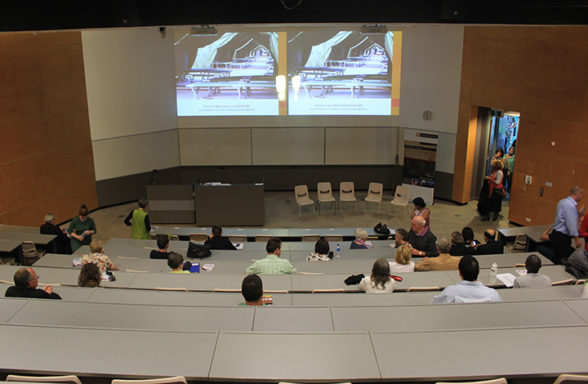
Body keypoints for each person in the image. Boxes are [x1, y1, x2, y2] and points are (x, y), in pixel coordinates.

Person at [431, 256, 501, 304]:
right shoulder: (492, 294)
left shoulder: (449, 292)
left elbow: (434, 305)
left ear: (460, 273)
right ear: (479, 271)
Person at [549, 186, 584, 264]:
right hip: (562, 238)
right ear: (578, 194)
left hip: (556, 234)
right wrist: (577, 239)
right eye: (582, 194)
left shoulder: (562, 201)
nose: (582, 196)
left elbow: (564, 218)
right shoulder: (570, 205)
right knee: (570, 258)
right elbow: (570, 224)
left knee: (557, 258)